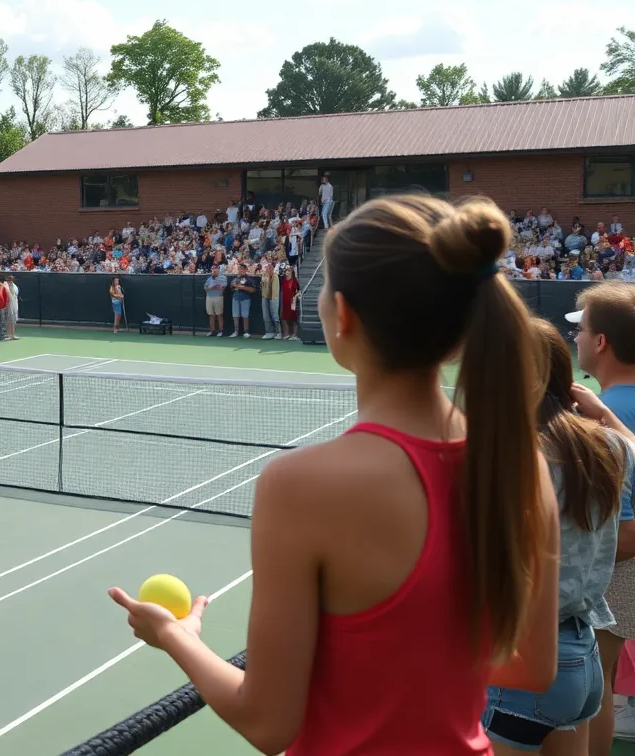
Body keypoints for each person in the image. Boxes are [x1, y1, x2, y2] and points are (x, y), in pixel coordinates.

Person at [110, 194, 560, 754]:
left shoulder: (301, 487)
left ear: (342, 315)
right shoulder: (525, 468)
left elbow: (268, 723)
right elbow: (533, 666)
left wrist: (175, 637)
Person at [481, 318, 632, 753]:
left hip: (520, 654)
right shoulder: (607, 445)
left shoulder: (513, 453)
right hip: (581, 655)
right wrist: (603, 417)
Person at [567, 282, 635, 752]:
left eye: (581, 329)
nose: (575, 338)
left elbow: (625, 531)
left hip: (616, 573)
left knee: (594, 686)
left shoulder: (601, 417)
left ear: (601, 342)